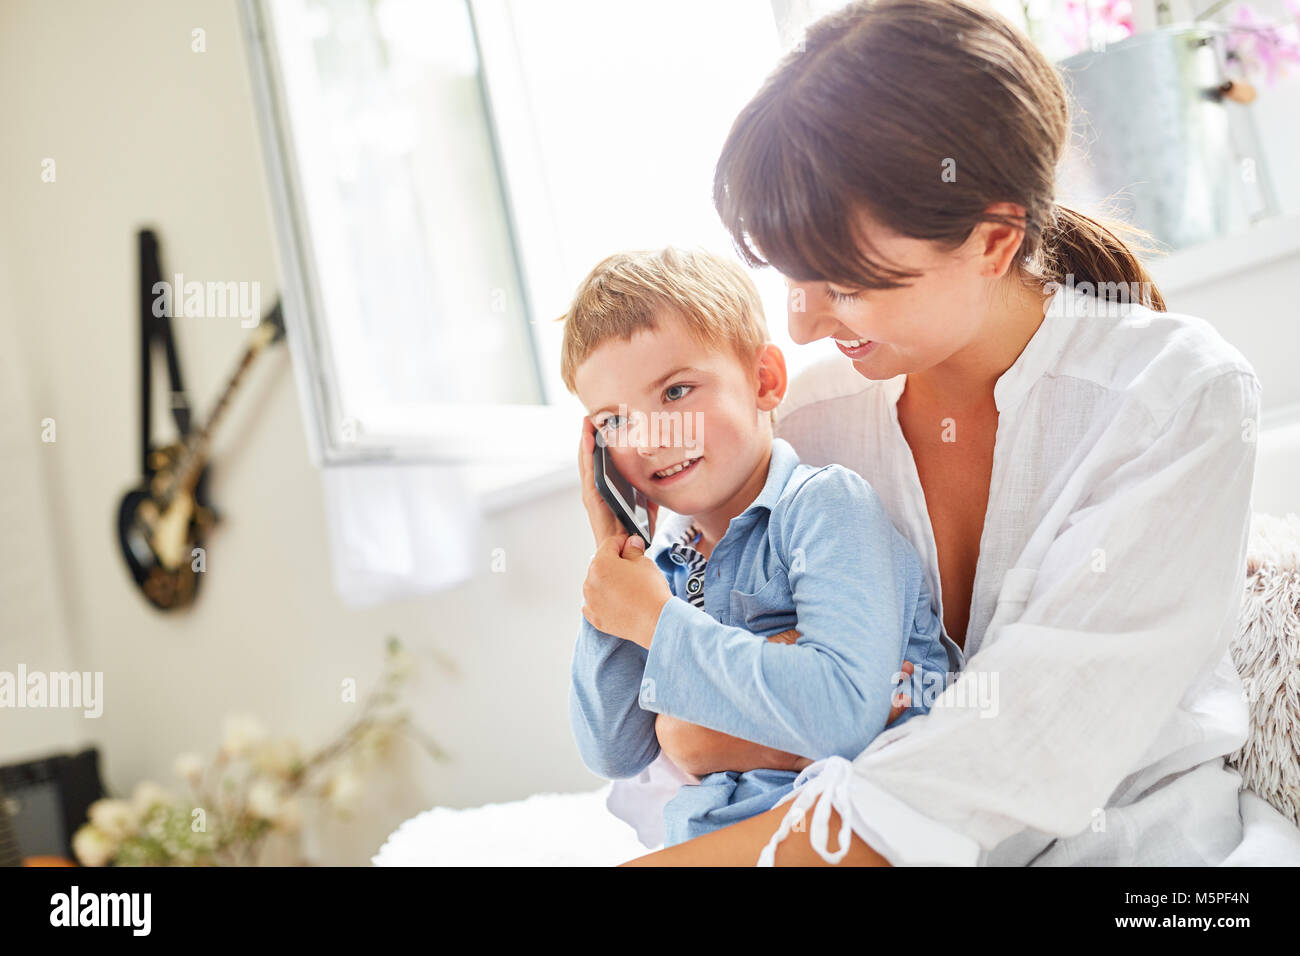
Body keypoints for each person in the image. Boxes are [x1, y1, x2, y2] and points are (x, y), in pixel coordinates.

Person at [586, 0, 1300, 865]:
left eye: (845, 285)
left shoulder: (1176, 396)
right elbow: (671, 746)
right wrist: (626, 547)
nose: (804, 326)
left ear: (993, 240)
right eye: (789, 278)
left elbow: (1023, 752)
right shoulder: (803, 421)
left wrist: (761, 727)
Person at [562, 247, 957, 848]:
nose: (649, 438)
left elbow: (841, 712)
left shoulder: (823, 507)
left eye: (675, 392)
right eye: (614, 422)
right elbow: (614, 748)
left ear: (764, 381)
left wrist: (657, 624)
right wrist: (617, 560)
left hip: (849, 835)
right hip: (728, 835)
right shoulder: (670, 564)